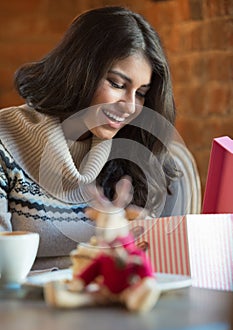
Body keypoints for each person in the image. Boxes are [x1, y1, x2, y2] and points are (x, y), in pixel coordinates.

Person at [0, 6, 186, 270]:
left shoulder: (134, 155)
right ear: (79, 71)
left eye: (141, 93)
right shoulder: (4, 139)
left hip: (109, 302)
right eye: (117, 84)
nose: (130, 106)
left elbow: (150, 264)